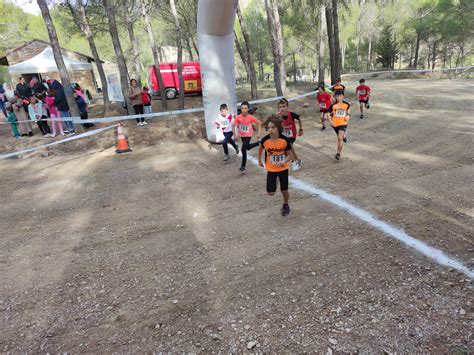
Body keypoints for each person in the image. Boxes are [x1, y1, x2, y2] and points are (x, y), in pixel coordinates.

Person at [258, 115, 293, 216]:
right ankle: (276, 179)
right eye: (268, 128)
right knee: (271, 193)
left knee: (284, 190)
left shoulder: (284, 140)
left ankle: (286, 205)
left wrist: (284, 161)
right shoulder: (265, 140)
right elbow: (260, 148)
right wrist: (259, 160)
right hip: (271, 168)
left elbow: (290, 155)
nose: (270, 130)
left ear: (278, 128)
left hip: (283, 168)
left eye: (273, 127)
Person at [232, 100, 261, 172]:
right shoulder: (238, 117)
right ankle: (258, 143)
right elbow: (233, 125)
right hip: (242, 135)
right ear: (240, 109)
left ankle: (243, 166)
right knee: (247, 147)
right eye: (242, 108)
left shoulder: (251, 117)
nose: (244, 110)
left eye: (245, 108)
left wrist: (258, 133)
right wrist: (235, 135)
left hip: (248, 135)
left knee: (243, 149)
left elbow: (259, 123)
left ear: (248, 109)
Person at [277, 98, 303, 171]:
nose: (282, 108)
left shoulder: (291, 114)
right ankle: (296, 160)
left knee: (289, 145)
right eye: (280, 107)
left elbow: (299, 118)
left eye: (284, 106)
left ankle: (295, 161)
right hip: (284, 135)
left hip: (292, 135)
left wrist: (301, 129)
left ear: (287, 107)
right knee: (286, 150)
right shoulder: (278, 116)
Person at [328, 90, 351, 160]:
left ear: (343, 96)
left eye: (340, 96)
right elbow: (328, 113)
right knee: (340, 136)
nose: (339, 98)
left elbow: (349, 112)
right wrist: (330, 122)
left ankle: (338, 153)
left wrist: (348, 116)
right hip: (335, 124)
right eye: (337, 96)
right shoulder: (333, 105)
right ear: (335, 97)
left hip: (343, 123)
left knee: (339, 138)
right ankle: (344, 135)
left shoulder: (347, 105)